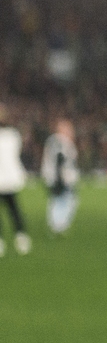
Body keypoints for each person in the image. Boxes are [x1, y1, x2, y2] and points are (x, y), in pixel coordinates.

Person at [0, 107, 30, 254]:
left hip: (5, 179)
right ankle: (21, 238)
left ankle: (7, 241)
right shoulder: (13, 135)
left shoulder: (12, 135)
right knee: (14, 210)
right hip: (10, 179)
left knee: (13, 210)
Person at [42, 119, 79, 236]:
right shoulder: (60, 142)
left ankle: (57, 225)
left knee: (59, 200)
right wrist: (60, 180)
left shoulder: (54, 141)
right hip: (61, 178)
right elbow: (60, 161)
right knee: (63, 201)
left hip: (55, 177)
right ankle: (58, 225)